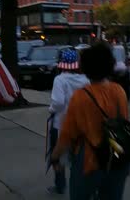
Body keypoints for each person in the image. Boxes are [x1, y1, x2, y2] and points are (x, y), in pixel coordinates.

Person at [50, 42, 130, 200]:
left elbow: (67, 135)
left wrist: (55, 156)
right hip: (118, 158)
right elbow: (124, 122)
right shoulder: (119, 91)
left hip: (89, 161)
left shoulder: (80, 97)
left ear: (85, 67)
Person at [47, 49, 89, 195]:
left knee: (57, 156)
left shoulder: (60, 79)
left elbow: (58, 102)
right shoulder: (85, 79)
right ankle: (77, 186)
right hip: (81, 125)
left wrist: (51, 109)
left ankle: (60, 185)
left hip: (61, 125)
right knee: (77, 158)